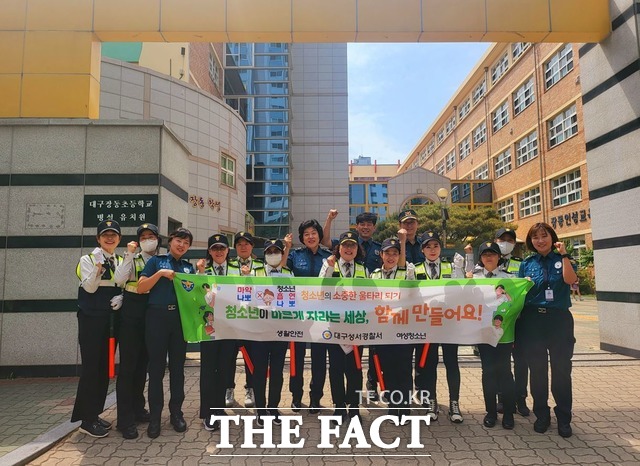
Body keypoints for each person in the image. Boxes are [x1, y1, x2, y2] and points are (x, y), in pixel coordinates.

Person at [518, 222, 578, 438]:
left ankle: (564, 417)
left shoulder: (562, 259)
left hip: (559, 321)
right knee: (538, 371)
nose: (540, 241)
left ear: (552, 238)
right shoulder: (526, 264)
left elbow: (571, 280)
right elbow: (519, 294)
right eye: (535, 237)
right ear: (530, 241)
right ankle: (541, 414)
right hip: (533, 321)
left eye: (544, 236)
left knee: (562, 371)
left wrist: (564, 255)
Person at [138, 228, 195, 439]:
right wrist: (161, 274)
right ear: (171, 241)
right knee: (156, 370)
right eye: (179, 240)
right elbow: (142, 287)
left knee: (178, 369)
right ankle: (154, 418)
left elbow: (195, 295)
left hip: (179, 322)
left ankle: (176, 414)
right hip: (156, 319)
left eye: (186, 243)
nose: (182, 245)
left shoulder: (189, 268)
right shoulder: (156, 261)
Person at [71, 219, 124, 438]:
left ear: (119, 238)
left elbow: (124, 285)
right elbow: (89, 287)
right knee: (91, 368)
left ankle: (95, 414)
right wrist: (97, 269)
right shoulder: (88, 259)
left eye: (113, 235)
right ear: (98, 238)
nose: (109, 238)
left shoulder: (121, 259)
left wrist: (123, 297)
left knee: (105, 368)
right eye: (105, 235)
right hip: (92, 320)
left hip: (112, 320)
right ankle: (86, 419)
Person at [113, 223, 159, 439]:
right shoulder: (133, 258)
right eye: (144, 237)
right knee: (129, 368)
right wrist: (129, 255)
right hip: (132, 313)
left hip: (150, 315)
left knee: (142, 366)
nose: (148, 240)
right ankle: (124, 420)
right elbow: (120, 280)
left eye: (152, 236)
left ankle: (138, 409)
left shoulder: (160, 261)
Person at [413, 231, 464, 423]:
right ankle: (431, 402)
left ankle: (454, 403)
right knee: (429, 365)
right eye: (428, 246)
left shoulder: (451, 266)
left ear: (441, 248)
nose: (432, 250)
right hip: (427, 324)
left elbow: (461, 289)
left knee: (452, 363)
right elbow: (410, 295)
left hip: (449, 323)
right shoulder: (415, 268)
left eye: (435, 246)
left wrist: (460, 270)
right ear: (422, 250)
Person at [319, 231, 368, 422]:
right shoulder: (329, 265)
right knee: (336, 368)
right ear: (338, 249)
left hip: (357, 327)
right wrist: (328, 268)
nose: (348, 249)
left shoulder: (364, 270)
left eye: (352, 245)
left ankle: (354, 407)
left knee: (355, 368)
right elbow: (321, 289)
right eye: (345, 245)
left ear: (357, 249)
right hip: (335, 327)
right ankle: (339, 407)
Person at [287, 219, 332, 413]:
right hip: (298, 315)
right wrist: (286, 249)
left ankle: (315, 398)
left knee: (319, 359)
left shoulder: (329, 257)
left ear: (319, 236)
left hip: (322, 316)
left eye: (314, 233)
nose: (310, 237)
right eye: (306, 234)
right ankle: (296, 397)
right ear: (302, 238)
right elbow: (280, 275)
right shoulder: (295, 256)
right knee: (296, 357)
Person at [195, 234, 238, 432]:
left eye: (222, 248)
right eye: (215, 248)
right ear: (210, 252)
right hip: (209, 328)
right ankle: (208, 412)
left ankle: (219, 409)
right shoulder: (204, 271)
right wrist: (200, 274)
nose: (219, 252)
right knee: (208, 370)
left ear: (228, 251)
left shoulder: (239, 270)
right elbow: (195, 297)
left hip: (231, 328)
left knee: (224, 369)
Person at [472, 241, 516, 430]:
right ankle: (490, 412)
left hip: (504, 333)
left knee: (505, 372)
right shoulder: (473, 278)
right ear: (480, 259)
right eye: (485, 254)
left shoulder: (511, 278)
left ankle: (508, 413)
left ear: (499, 257)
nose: (489, 257)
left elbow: (515, 303)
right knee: (488, 372)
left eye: (492, 254)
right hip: (483, 333)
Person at [370, 234, 415, 416]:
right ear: (381, 254)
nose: (391, 257)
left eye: (395, 253)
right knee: (387, 368)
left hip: (403, 330)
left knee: (404, 369)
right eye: (387, 253)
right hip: (383, 331)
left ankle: (405, 406)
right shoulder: (374, 275)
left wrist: (412, 280)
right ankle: (392, 405)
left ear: (399, 255)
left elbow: (415, 298)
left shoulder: (406, 273)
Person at [252, 239, 292, 426]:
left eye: (277, 251)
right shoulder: (254, 272)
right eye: (270, 251)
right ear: (265, 254)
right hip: (259, 332)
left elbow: (295, 300)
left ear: (282, 254)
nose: (273, 254)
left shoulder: (288, 273)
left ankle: (273, 408)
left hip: (280, 331)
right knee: (259, 371)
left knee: (277, 371)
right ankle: (260, 410)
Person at [225, 231, 263, 409]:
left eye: (246, 243)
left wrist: (249, 278)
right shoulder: (228, 265)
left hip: (252, 319)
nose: (243, 246)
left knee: (252, 357)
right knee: (229, 357)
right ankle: (228, 388)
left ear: (252, 246)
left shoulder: (260, 266)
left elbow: (265, 292)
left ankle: (251, 388)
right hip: (232, 318)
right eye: (239, 244)